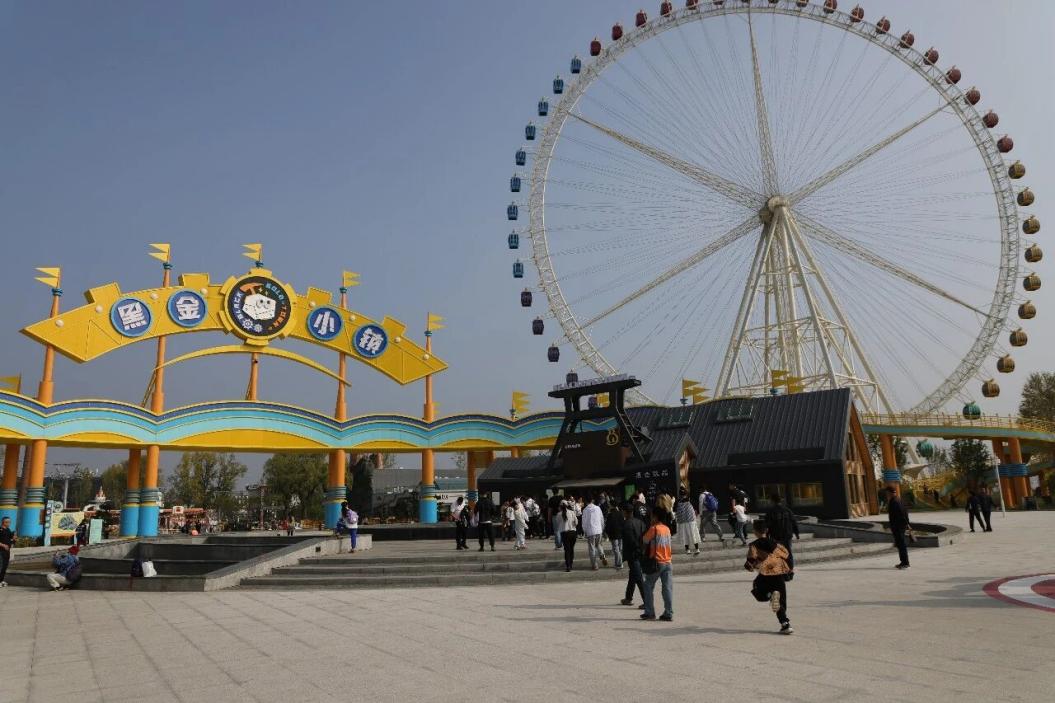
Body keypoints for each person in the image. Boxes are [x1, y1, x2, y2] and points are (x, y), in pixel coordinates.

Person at [744, 519, 793, 635]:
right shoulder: (776, 543)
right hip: (779, 574)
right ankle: (785, 624)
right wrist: (789, 570)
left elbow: (751, 561)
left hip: (765, 574)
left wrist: (750, 566)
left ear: (754, 532)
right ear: (766, 530)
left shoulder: (754, 545)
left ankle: (770, 595)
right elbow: (786, 555)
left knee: (758, 589)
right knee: (781, 601)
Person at [640, 505, 674, 621]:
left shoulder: (654, 529)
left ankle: (649, 612)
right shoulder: (667, 529)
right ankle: (668, 613)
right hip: (668, 562)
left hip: (657, 562)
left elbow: (644, 540)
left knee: (648, 585)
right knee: (667, 588)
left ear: (655, 517)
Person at [763, 493, 799, 577]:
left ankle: (783, 572)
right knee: (788, 553)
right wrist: (797, 533)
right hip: (787, 535)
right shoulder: (787, 510)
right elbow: (794, 522)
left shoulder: (770, 512)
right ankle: (790, 570)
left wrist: (766, 536)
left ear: (772, 501)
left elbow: (766, 525)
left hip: (776, 536)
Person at [620, 504, 646, 605]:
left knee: (638, 577)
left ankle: (647, 601)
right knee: (633, 576)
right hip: (640, 553)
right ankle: (628, 597)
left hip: (633, 554)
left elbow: (631, 541)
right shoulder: (640, 522)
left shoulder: (626, 524)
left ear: (625, 512)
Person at [886, 487, 911, 569]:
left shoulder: (894, 501)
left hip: (898, 526)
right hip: (900, 525)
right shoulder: (899, 499)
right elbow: (905, 512)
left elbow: (901, 514)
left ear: (889, 493)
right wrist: (907, 523)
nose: (887, 495)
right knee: (900, 544)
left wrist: (905, 524)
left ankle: (905, 563)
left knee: (901, 544)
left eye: (887, 493)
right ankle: (903, 562)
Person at [582, 495, 607, 570]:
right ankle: (602, 555)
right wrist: (602, 528)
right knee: (599, 544)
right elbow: (601, 518)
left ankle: (595, 565)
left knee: (592, 548)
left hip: (590, 531)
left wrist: (585, 531)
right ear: (592, 500)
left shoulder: (585, 510)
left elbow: (584, 522)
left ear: (586, 501)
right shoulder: (598, 508)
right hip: (598, 530)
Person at [556, 500, 579, 572]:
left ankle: (568, 565)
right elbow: (576, 522)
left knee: (567, 550)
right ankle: (570, 564)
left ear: (560, 506)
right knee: (571, 549)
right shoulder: (572, 512)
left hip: (564, 533)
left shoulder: (559, 514)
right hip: (572, 532)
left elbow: (558, 523)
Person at [605, 502, 625, 569]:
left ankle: (619, 563)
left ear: (611, 506)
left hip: (614, 534)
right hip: (621, 534)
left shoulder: (610, 515)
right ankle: (619, 563)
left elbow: (608, 526)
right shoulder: (621, 513)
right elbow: (623, 523)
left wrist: (607, 534)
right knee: (620, 549)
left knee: (616, 549)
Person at [0, 515, 13, 587]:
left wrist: (14, 539)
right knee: (1, 566)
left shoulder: (8, 530)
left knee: (5, 566)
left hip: (7, 551)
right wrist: (3, 545)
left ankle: (1, 580)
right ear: (3, 522)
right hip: (1, 551)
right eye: (7, 522)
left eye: (9, 522)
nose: (9, 523)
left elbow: (11, 538)